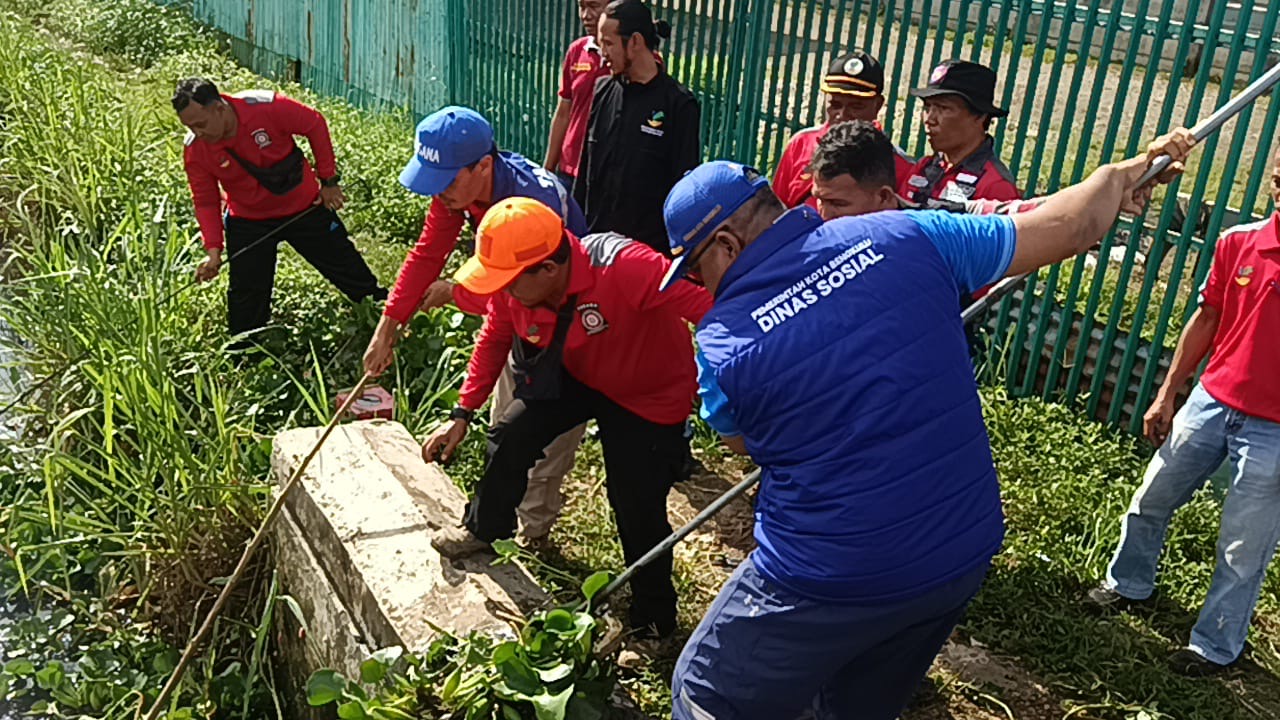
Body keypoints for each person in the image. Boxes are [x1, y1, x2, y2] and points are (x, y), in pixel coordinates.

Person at [658, 131, 1193, 719]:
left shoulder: (721, 346)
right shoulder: (908, 232)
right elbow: (1070, 224)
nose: (698, 287)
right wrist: (1123, 172)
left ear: (727, 246)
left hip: (829, 573)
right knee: (858, 700)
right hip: (958, 549)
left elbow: (748, 442)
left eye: (694, 271)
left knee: (706, 689)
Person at [420, 197, 711, 647]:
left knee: (636, 505)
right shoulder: (515, 287)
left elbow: (712, 310)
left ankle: (653, 623)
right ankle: (485, 528)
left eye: (511, 282)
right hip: (575, 373)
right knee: (510, 434)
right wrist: (462, 413)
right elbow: (495, 337)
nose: (504, 291)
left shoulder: (627, 267)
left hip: (647, 395)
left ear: (550, 270)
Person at [1085, 144, 1280, 677]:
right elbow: (1207, 317)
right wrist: (1169, 391)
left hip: (1275, 430)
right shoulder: (1238, 243)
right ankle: (1128, 584)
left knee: (1244, 544)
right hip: (1212, 400)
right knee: (1151, 498)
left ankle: (1216, 646)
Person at [363, 105, 588, 542]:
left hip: (569, 329)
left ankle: (534, 533)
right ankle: (506, 513)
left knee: (547, 439)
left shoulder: (528, 208)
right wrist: (385, 330)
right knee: (504, 422)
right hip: (516, 320)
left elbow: (512, 296)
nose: (438, 192)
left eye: (445, 180)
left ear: (483, 165)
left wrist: (455, 293)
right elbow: (428, 254)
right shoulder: (461, 192)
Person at [174, 78, 386, 337]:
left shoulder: (266, 108)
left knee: (351, 272)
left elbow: (314, 124)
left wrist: (328, 180)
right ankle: (247, 354)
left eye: (200, 124)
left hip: (305, 207)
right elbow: (205, 200)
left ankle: (385, 319)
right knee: (246, 298)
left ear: (219, 107)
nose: (197, 132)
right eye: (190, 127)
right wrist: (214, 250)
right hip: (248, 220)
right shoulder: (196, 148)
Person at [575, 0, 701, 254]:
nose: (603, 53)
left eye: (608, 44)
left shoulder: (678, 105)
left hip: (646, 256)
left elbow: (683, 188)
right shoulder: (602, 91)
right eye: (600, 45)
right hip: (596, 247)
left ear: (635, 41)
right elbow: (585, 171)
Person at [772, 50, 913, 210]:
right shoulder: (801, 144)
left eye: (856, 107)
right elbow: (777, 210)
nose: (843, 115)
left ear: (878, 105)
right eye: (835, 105)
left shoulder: (899, 165)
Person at [900, 60, 1020, 204]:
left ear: (980, 116)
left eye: (944, 108)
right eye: (927, 107)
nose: (929, 119)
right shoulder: (923, 167)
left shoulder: (995, 186)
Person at [544, 0, 611, 190]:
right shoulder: (576, 51)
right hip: (570, 169)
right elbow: (564, 112)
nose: (585, 15)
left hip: (606, 172)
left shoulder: (631, 59)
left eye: (594, 6)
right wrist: (548, 169)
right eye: (581, 7)